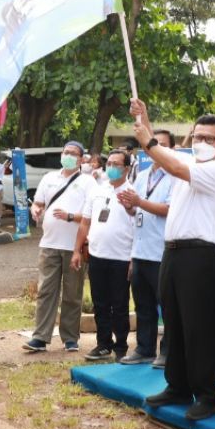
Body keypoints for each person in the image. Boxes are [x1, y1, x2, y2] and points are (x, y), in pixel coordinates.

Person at [131, 99, 215, 421]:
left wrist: (146, 138)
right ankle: (177, 386)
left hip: (198, 254)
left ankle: (206, 395)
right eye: (197, 136)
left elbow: (170, 163)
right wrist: (142, 118)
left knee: (197, 325)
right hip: (171, 251)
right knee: (172, 322)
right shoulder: (189, 164)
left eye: (209, 138)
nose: (201, 142)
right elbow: (160, 153)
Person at [23, 141, 93, 353]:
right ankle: (40, 337)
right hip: (49, 244)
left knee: (72, 294)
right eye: (65, 152)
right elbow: (39, 203)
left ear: (81, 159)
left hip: (75, 246)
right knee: (46, 291)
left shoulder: (88, 182)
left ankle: (70, 338)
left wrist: (70, 216)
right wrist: (35, 209)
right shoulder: (49, 178)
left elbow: (92, 214)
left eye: (73, 153)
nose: (68, 156)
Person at [116, 129, 176, 366]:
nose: (156, 148)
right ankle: (144, 348)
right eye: (152, 144)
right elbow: (136, 211)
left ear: (170, 149)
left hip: (162, 252)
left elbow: (169, 209)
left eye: (162, 144)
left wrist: (140, 202)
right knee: (143, 304)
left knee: (168, 306)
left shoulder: (175, 176)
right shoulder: (141, 176)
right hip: (140, 251)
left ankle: (168, 351)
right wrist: (129, 206)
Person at [73, 149, 138, 361]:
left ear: (126, 169)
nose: (111, 167)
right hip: (97, 255)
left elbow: (139, 228)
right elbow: (85, 222)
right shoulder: (97, 191)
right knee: (100, 303)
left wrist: (132, 259)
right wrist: (77, 249)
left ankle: (121, 347)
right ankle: (103, 344)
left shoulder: (133, 193)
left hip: (121, 258)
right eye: (109, 163)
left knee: (119, 304)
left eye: (116, 164)